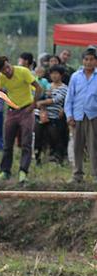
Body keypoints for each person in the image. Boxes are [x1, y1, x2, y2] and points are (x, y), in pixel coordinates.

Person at [0, 56, 42, 183]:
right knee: (8, 143)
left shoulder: (23, 71)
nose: (7, 71)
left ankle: (23, 171)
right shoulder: (2, 78)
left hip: (26, 110)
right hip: (11, 111)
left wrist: (33, 105)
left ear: (9, 63)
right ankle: (5, 171)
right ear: (0, 71)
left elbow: (38, 88)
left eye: (8, 67)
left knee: (26, 142)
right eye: (4, 70)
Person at [64, 48, 97, 183]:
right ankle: (77, 174)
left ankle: (95, 175)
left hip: (93, 115)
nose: (88, 62)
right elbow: (69, 98)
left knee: (93, 145)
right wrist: (69, 115)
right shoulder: (76, 76)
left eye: (91, 59)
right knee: (77, 145)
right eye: (86, 59)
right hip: (77, 116)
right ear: (82, 60)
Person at [34, 64, 69, 165]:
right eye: (52, 73)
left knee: (55, 139)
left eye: (56, 74)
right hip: (39, 115)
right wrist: (40, 103)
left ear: (61, 75)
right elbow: (37, 96)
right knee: (38, 138)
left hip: (53, 117)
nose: (54, 76)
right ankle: (38, 159)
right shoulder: (45, 85)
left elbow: (56, 99)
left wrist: (42, 103)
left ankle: (57, 159)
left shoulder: (64, 88)